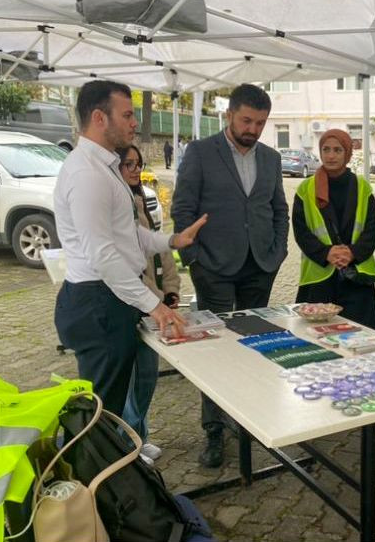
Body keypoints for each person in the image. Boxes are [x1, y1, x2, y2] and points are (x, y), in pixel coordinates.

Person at [53, 80, 205, 418]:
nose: (135, 123)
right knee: (101, 415)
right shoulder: (87, 174)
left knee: (110, 408)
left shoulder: (103, 167)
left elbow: (127, 235)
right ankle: (97, 470)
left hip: (107, 299)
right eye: (127, 115)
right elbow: (102, 254)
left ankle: (111, 465)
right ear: (99, 118)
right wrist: (155, 306)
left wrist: (171, 241)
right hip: (99, 302)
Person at [172, 83, 289, 468]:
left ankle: (248, 420)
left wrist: (277, 251)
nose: (252, 129)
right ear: (229, 115)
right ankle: (214, 432)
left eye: (260, 122)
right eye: (246, 120)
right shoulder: (200, 153)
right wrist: (194, 260)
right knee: (216, 351)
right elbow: (183, 208)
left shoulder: (271, 159)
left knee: (256, 346)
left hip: (260, 265)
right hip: (214, 268)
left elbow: (278, 209)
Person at [115, 143, 182, 465]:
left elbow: (161, 253)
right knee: (129, 380)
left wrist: (170, 290)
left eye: (136, 164)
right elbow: (121, 264)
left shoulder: (142, 199)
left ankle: (140, 436)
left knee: (146, 376)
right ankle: (128, 444)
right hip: (129, 303)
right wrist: (154, 300)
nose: (133, 169)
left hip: (152, 304)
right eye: (126, 164)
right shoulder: (114, 204)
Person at [293, 129, 375, 330]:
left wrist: (352, 253)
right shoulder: (306, 189)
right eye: (326, 149)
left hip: (356, 277)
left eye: (337, 150)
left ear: (347, 154)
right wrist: (327, 253)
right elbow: (301, 231)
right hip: (319, 277)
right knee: (316, 338)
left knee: (360, 335)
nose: (331, 155)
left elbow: (372, 227)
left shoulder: (362, 187)